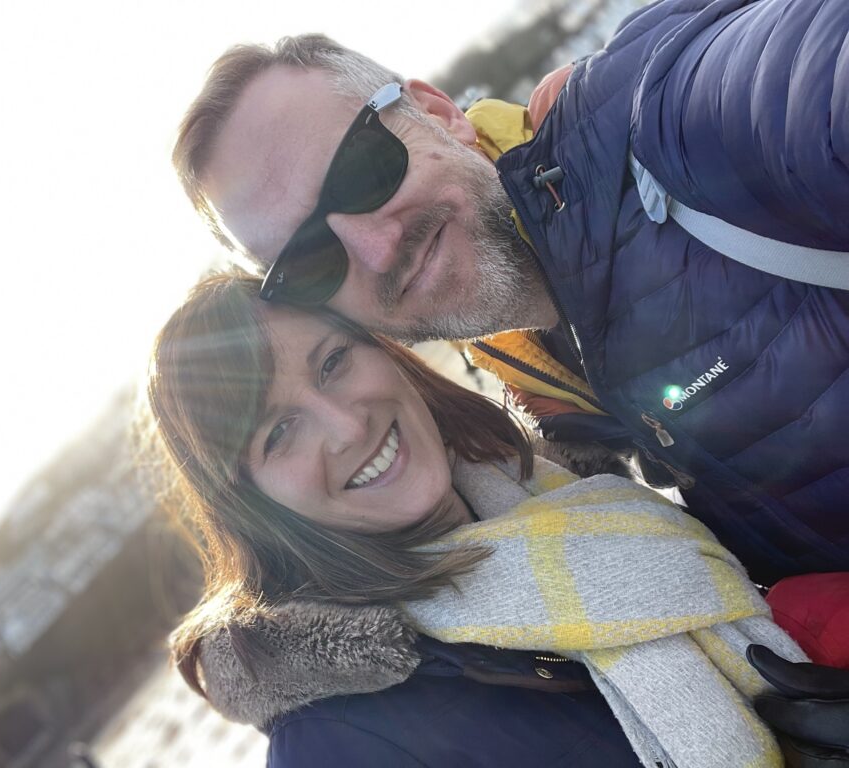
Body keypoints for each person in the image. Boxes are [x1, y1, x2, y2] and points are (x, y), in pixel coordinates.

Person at [172, 0, 849, 586]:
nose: (376, 250)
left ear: (439, 113)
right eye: (308, 257)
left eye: (362, 169)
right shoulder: (537, 381)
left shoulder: (678, 125)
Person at [145, 271, 844, 768]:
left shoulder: (585, 502)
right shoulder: (338, 743)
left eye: (332, 363)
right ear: (253, 504)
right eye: (278, 432)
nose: (345, 424)